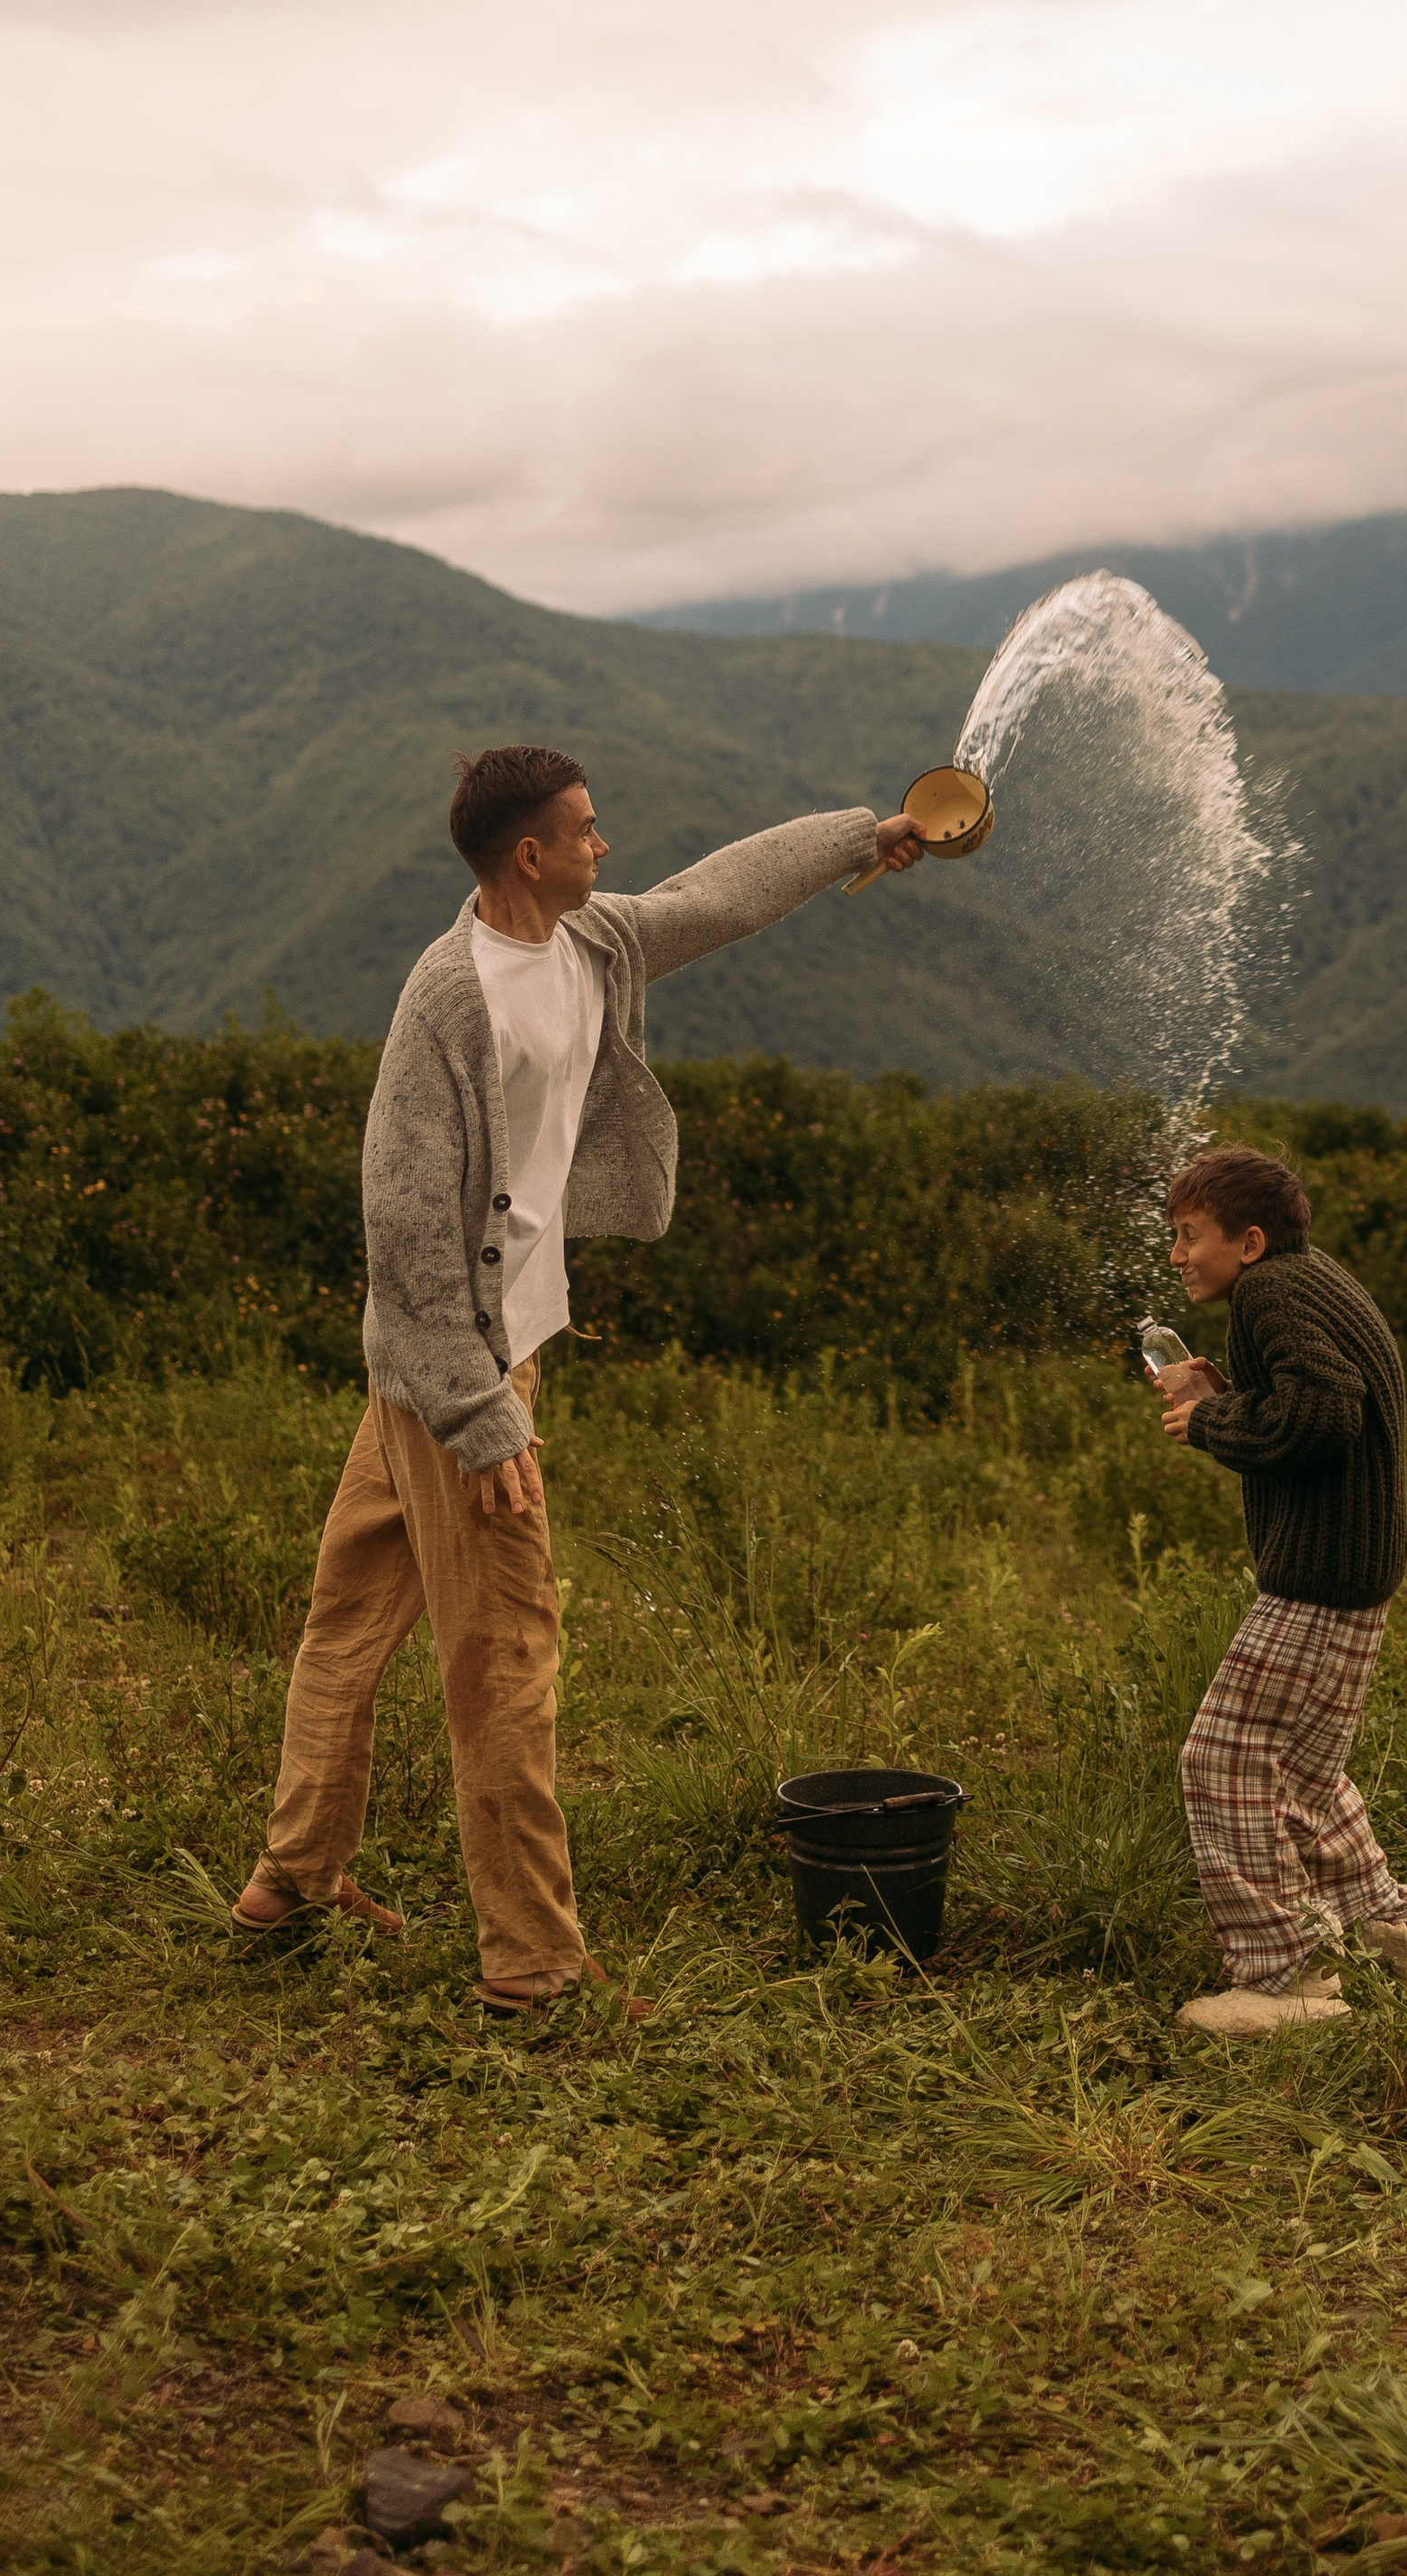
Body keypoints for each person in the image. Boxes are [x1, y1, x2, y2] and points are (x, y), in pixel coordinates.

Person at [230, 747, 927, 2017]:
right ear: (528, 855)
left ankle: (290, 1880)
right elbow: (400, 1231)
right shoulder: (448, 999)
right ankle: (532, 1964)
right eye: (588, 834)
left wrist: (859, 840)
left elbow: (712, 898)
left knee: (348, 1622)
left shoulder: (588, 942)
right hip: (461, 1383)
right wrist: (483, 1416)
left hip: (447, 1374)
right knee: (505, 1660)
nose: (608, 849)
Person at [1150, 1142, 1407, 2039]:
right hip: (1354, 1567)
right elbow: (1317, 1399)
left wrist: (1211, 1420)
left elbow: (1320, 1415)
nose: (1176, 1253)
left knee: (1221, 1757)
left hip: (1317, 1577)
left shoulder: (1270, 1292)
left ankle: (1285, 1981)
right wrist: (1227, 1396)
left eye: (1189, 1235)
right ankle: (1385, 1923)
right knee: (1302, 1771)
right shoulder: (1309, 1280)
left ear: (1249, 1240)